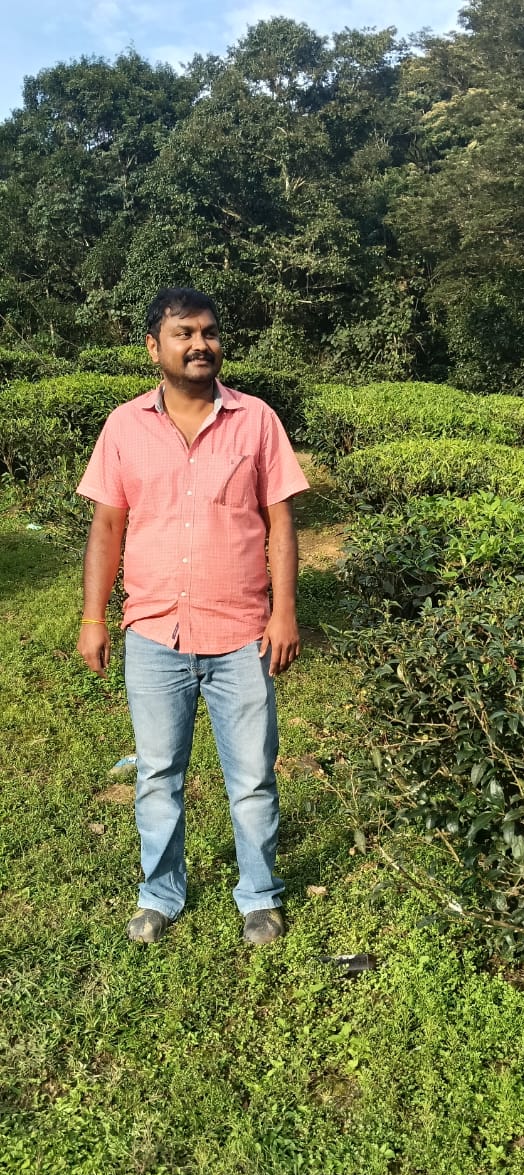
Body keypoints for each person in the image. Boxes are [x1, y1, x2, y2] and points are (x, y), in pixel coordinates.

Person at [76, 287, 309, 946]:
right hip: (155, 632)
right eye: (184, 333)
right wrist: (93, 618)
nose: (200, 344)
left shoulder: (256, 420)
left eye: (208, 332)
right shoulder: (125, 426)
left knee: (253, 777)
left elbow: (280, 524)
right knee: (157, 775)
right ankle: (160, 893)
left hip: (241, 633)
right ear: (155, 347)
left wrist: (285, 612)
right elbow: (107, 527)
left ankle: (259, 895)